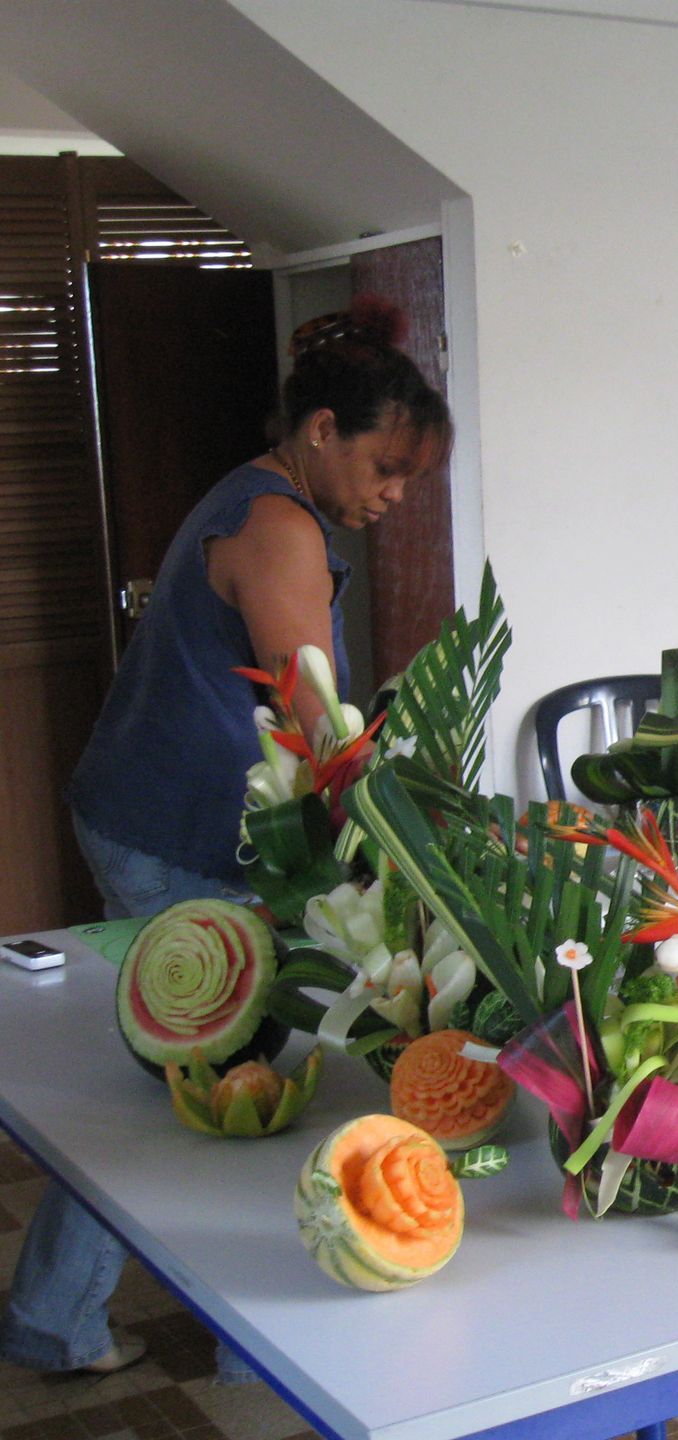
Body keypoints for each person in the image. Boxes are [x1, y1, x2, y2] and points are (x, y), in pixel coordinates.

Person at [0, 295, 450, 1381]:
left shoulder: (257, 496)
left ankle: (89, 1314)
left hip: (148, 808)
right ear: (322, 432)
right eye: (385, 470)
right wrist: (395, 846)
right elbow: (317, 723)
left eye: (409, 481)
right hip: (174, 828)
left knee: (188, 1078)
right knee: (192, 1087)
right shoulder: (281, 527)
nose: (392, 497)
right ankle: (133, 1325)